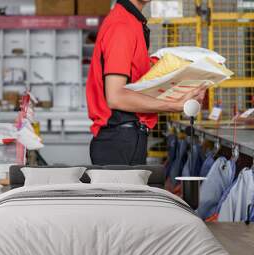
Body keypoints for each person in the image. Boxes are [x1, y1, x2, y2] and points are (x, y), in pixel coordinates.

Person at [86, 0, 206, 165]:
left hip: (126, 139)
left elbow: (135, 84)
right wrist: (175, 105)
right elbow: (116, 97)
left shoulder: (133, 22)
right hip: (119, 142)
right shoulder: (122, 26)